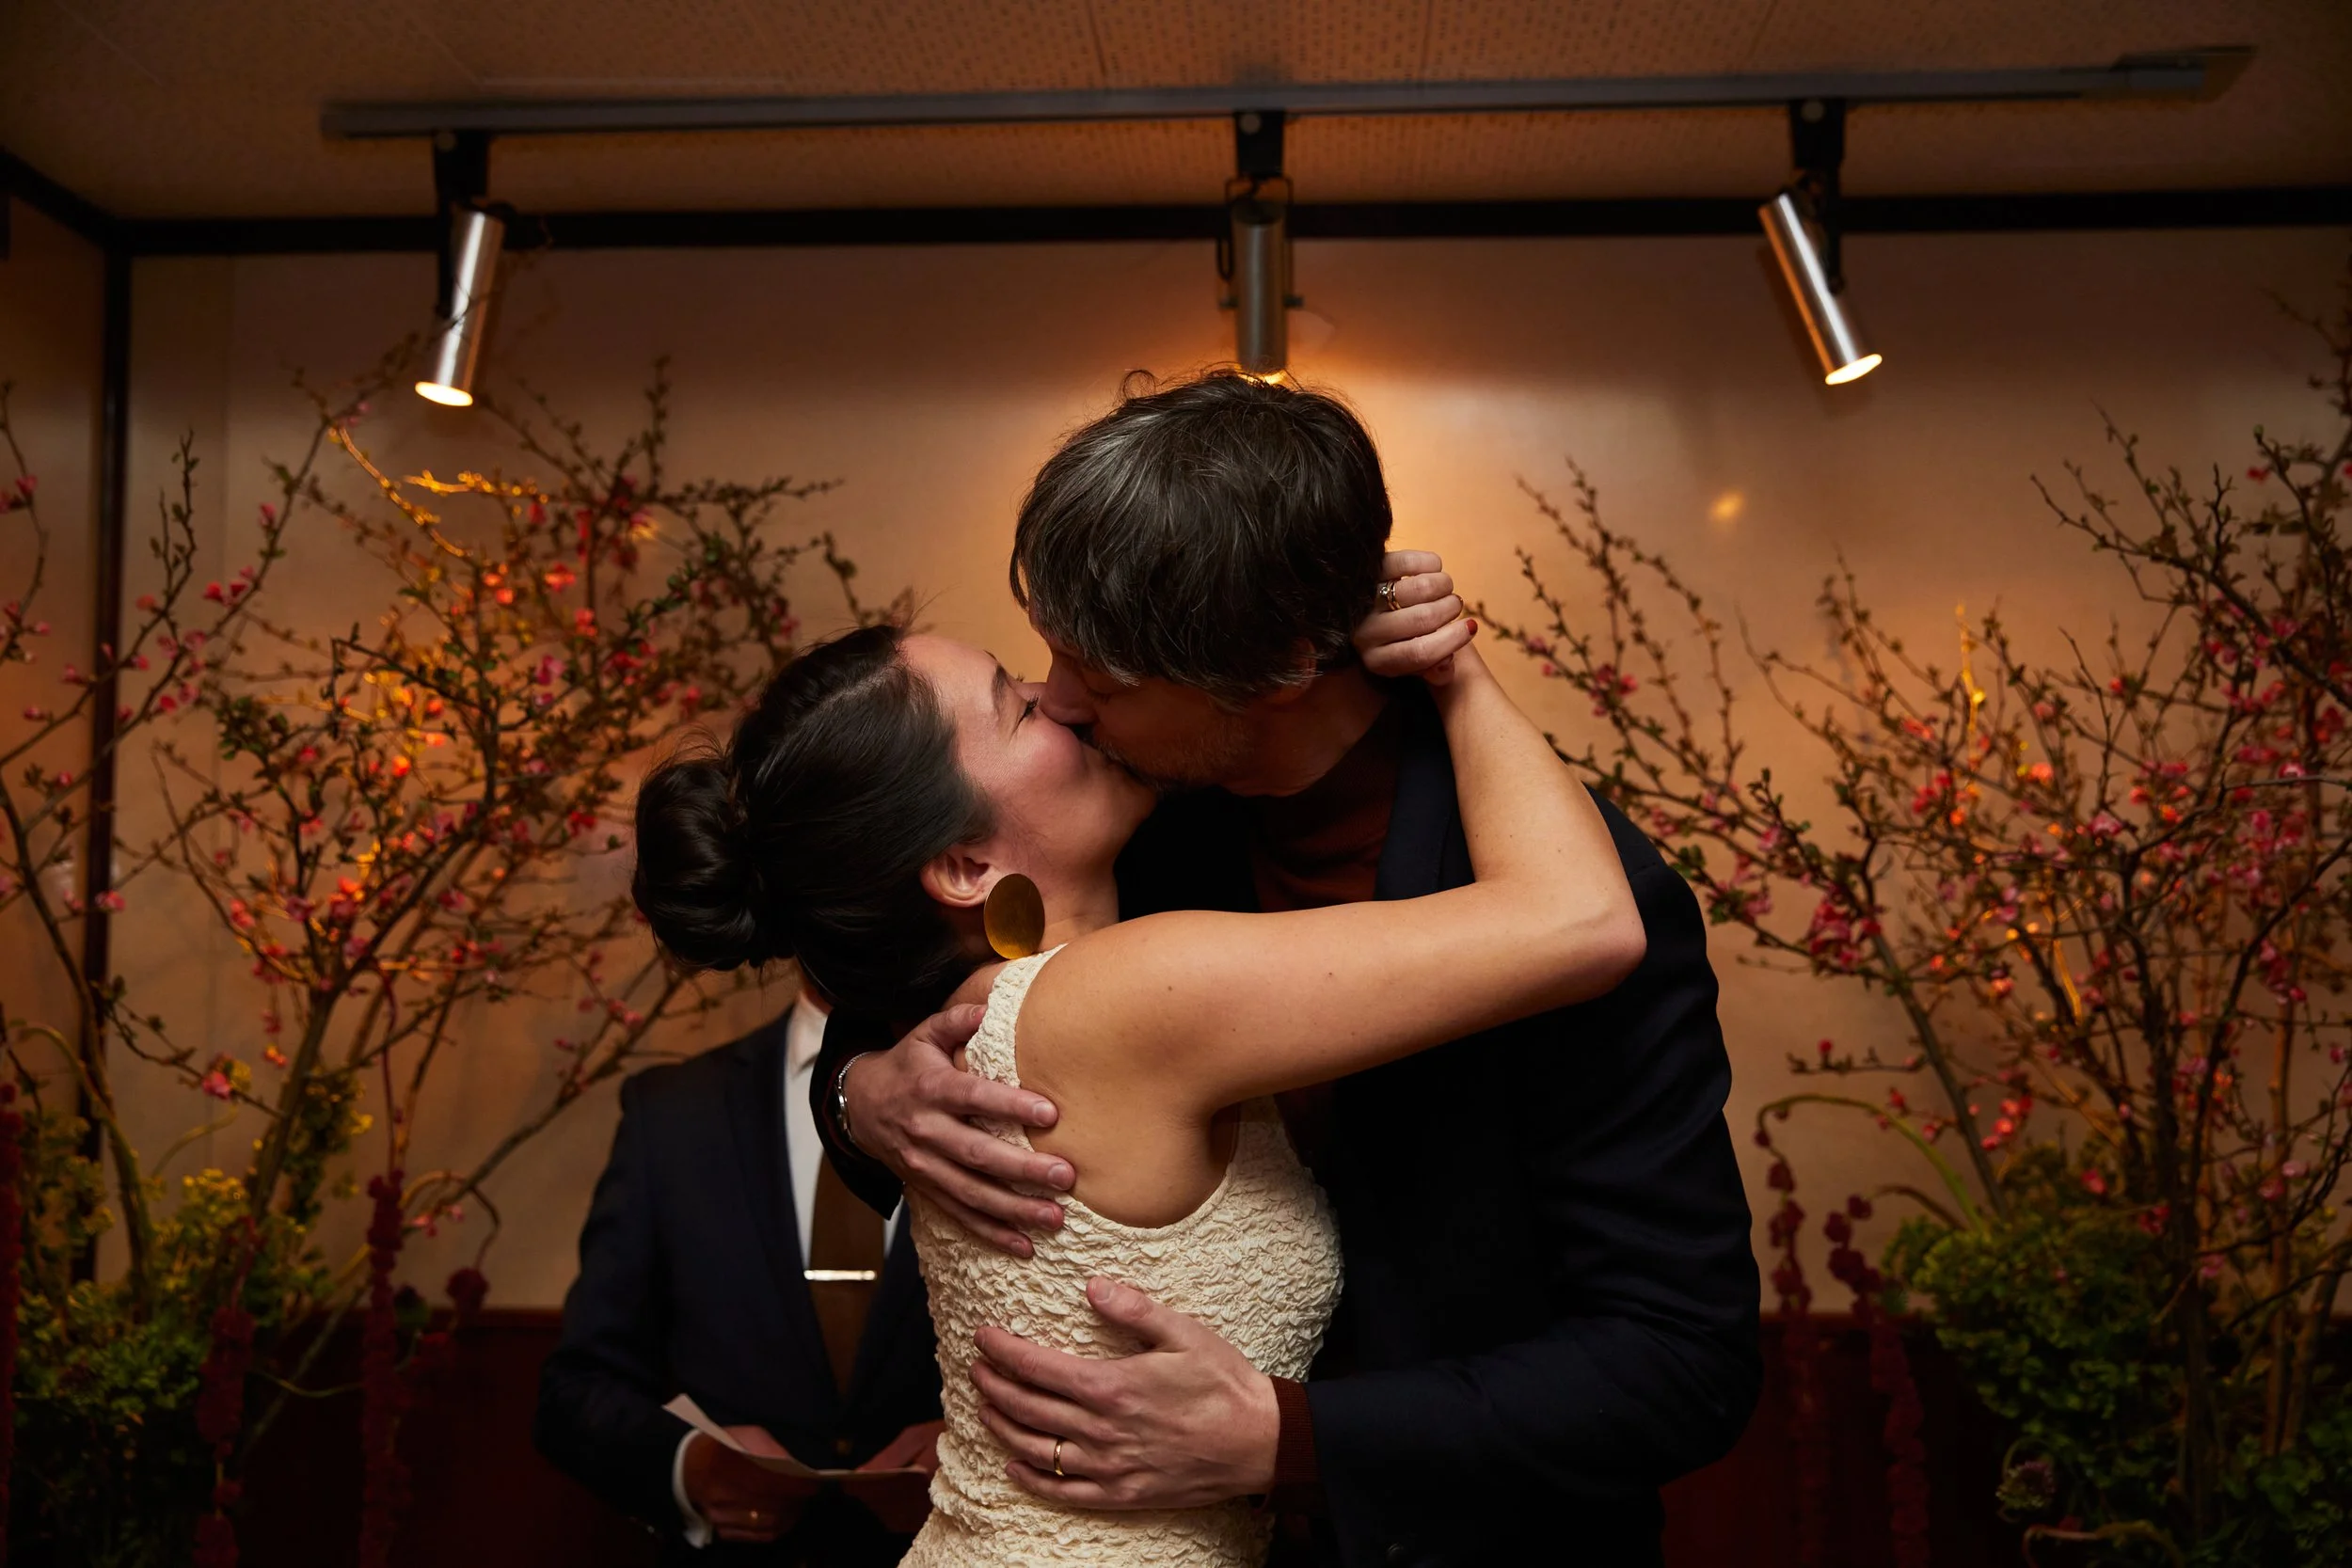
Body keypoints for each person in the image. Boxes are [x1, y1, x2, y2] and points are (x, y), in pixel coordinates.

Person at [812, 372, 1763, 1566]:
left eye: (1101, 678)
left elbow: (1684, 1357)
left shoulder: (1561, 885)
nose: (1057, 700)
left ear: (1266, 673)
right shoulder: (1133, 819)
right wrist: (861, 1091)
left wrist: (1289, 1436)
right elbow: (888, 980)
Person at [628, 561, 1647, 1557]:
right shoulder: (1127, 996)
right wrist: (1450, 666)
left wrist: (854, 1087)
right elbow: (1583, 919)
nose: (1062, 699)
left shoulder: (989, 1005)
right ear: (964, 865)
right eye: (1015, 703)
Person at [535, 990, 945, 1566]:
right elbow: (575, 1390)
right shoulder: (674, 1111)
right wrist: (689, 1464)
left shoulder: (1011, 1091)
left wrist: (973, 1447)